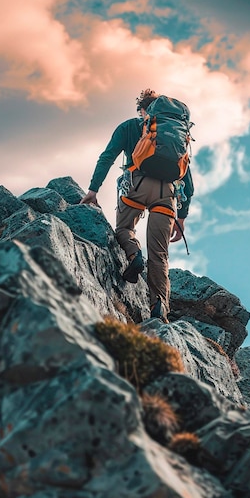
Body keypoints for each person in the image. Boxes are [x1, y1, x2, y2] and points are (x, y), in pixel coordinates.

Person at [80, 89, 194, 323]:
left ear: (144, 110)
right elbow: (188, 183)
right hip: (166, 195)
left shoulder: (129, 127)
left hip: (136, 186)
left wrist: (93, 189)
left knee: (124, 229)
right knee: (160, 255)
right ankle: (159, 308)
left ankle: (133, 254)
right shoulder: (175, 133)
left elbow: (107, 157)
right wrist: (181, 217)